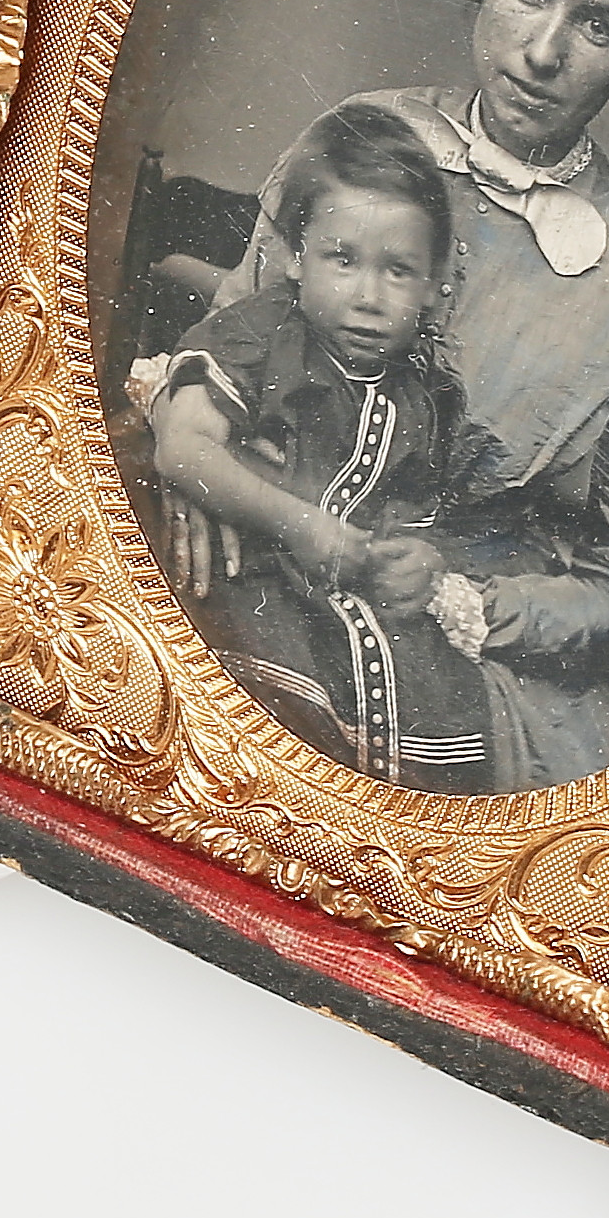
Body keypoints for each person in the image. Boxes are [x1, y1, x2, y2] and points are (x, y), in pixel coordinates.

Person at [173, 0, 609, 794]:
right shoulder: (358, 136)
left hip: (468, 653)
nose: (542, 51)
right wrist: (199, 477)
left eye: (596, 24)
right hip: (262, 543)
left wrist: (467, 602)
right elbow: (221, 353)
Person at [142, 103, 493, 789]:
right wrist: (301, 525)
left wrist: (421, 559)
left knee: (443, 728)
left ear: (432, 285)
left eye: (398, 271)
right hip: (258, 584)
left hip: (359, 608)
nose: (369, 296)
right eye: (342, 260)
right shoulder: (263, 334)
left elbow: (424, 513)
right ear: (297, 258)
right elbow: (182, 449)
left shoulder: (426, 391)